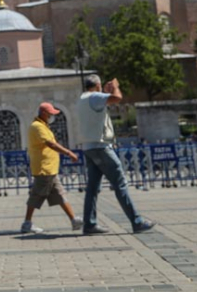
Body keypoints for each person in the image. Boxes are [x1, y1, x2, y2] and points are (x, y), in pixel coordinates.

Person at [76, 75, 155, 235]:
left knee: (92, 188)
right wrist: (114, 88)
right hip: (101, 146)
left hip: (88, 147)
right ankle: (137, 221)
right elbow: (117, 98)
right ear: (97, 85)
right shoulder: (95, 96)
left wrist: (106, 92)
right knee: (120, 183)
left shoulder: (82, 99)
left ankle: (89, 224)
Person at [20, 102, 83, 234]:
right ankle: (27, 224)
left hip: (49, 169)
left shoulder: (42, 126)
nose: (51, 117)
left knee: (59, 194)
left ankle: (74, 220)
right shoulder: (38, 127)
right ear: (44, 113)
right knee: (36, 196)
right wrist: (68, 152)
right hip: (44, 169)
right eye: (50, 114)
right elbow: (50, 144)